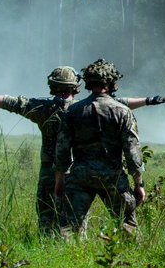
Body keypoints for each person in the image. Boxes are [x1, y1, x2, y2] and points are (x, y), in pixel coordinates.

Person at [0, 68, 165, 235]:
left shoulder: (43, 108)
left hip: (52, 171)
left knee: (52, 219)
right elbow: (120, 104)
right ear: (77, 86)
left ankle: (51, 248)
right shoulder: (81, 106)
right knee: (80, 222)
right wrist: (149, 101)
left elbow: (10, 102)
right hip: (78, 170)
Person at [54, 59, 147, 235]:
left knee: (68, 228)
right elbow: (132, 151)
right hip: (112, 177)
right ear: (112, 82)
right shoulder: (122, 111)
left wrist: (59, 181)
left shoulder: (73, 111)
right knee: (127, 226)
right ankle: (132, 258)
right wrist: (138, 183)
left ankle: (67, 258)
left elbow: (62, 150)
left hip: (80, 176)